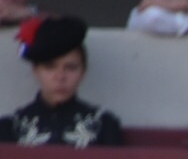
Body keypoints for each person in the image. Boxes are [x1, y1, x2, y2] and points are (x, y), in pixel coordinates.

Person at [1, 15, 123, 147]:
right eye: (50, 67)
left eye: (71, 67)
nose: (60, 77)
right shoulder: (11, 127)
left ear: (83, 71)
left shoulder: (104, 125)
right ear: (36, 70)